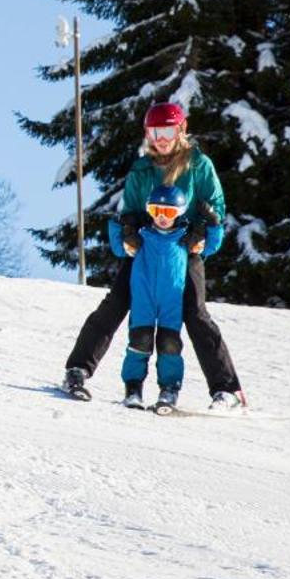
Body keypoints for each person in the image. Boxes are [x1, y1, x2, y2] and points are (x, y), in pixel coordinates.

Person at [61, 102, 245, 411]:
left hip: (182, 248)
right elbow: (129, 209)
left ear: (181, 131)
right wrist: (131, 229)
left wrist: (201, 229)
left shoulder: (198, 165)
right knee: (117, 301)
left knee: (194, 312)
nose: (161, 138)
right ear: (148, 134)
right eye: (155, 132)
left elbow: (215, 206)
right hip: (146, 247)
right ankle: (77, 370)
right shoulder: (142, 168)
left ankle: (226, 389)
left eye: (168, 131)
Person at [113, 184, 215, 411]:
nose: (161, 217)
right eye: (156, 210)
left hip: (172, 300)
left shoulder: (185, 239)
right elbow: (117, 244)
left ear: (178, 213)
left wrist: (213, 223)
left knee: (169, 344)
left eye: (168, 212)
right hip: (143, 298)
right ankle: (133, 388)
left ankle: (169, 390)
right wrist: (121, 220)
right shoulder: (140, 236)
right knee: (140, 341)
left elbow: (212, 244)